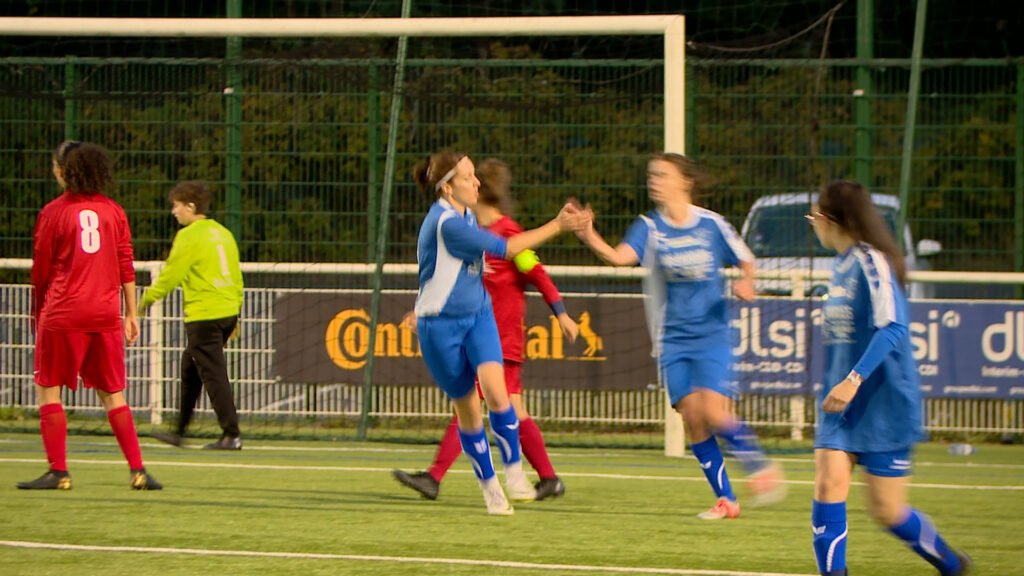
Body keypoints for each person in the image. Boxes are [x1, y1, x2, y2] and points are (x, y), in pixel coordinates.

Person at [573, 152, 784, 520]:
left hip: (712, 334)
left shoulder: (711, 224)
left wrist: (747, 281)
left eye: (662, 174)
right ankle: (726, 500)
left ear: (684, 181)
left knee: (714, 412)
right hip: (673, 338)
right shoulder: (649, 226)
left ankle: (760, 468)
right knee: (692, 418)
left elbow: (746, 259)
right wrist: (588, 234)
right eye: (651, 175)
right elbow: (621, 257)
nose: (654, 180)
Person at [406, 150, 588, 515]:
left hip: (479, 317)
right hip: (440, 328)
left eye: (476, 175)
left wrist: (561, 310)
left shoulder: (470, 216)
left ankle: (517, 476)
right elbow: (505, 249)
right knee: (469, 413)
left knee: (498, 394)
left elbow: (525, 264)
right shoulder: (447, 224)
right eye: (468, 177)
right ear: (446, 187)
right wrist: (557, 225)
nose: (476, 183)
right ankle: (491, 488)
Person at [807, 180, 971, 576]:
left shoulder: (870, 261)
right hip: (841, 410)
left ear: (828, 220)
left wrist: (852, 380)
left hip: (884, 405)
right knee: (828, 485)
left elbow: (893, 327)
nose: (811, 223)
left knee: (888, 511)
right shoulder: (840, 265)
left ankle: (950, 563)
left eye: (813, 216)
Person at [18, 140, 162, 491]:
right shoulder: (114, 210)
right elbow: (125, 263)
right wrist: (131, 313)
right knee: (113, 394)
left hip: (64, 312)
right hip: (104, 313)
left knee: (48, 390)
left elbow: (42, 270)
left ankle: (59, 472)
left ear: (65, 171)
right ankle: (138, 470)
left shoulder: (54, 211)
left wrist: (37, 312)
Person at [143, 181, 245, 450]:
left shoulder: (189, 236)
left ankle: (231, 434)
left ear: (190, 206)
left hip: (204, 314)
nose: (173, 211)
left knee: (213, 374)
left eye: (176, 206)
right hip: (226, 311)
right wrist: (237, 313)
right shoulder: (223, 233)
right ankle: (179, 432)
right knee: (191, 367)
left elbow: (171, 275)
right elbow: (236, 276)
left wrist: (144, 301)